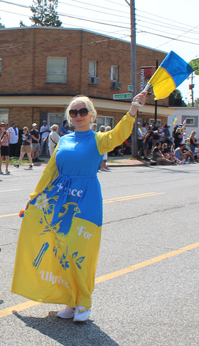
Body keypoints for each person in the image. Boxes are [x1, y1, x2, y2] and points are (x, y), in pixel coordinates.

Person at [12, 90, 149, 322]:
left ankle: (84, 303)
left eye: (83, 111)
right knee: (60, 251)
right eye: (73, 112)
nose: (78, 115)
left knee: (78, 253)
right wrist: (34, 197)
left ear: (92, 115)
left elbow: (119, 134)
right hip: (60, 201)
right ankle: (69, 301)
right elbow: (50, 171)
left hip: (86, 202)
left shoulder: (98, 139)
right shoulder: (64, 140)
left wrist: (133, 109)